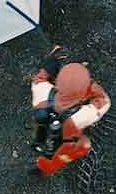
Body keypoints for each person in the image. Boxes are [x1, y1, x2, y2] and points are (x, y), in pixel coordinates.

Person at [29, 45, 111, 177]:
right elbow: (104, 101)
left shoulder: (40, 89)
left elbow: (40, 78)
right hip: (68, 133)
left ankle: (39, 145)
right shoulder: (82, 115)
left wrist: (52, 62)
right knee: (85, 144)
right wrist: (90, 85)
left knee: (42, 119)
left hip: (47, 119)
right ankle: (51, 166)